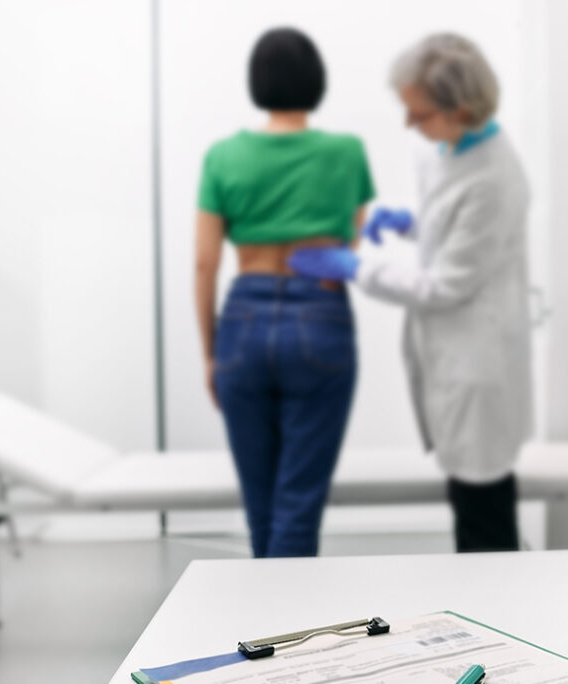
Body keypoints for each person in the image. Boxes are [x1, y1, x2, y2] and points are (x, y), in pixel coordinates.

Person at [289, 33, 533, 552]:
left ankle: (496, 600)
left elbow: (445, 284)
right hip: (453, 354)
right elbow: (451, 226)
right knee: (469, 501)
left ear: (461, 108)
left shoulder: (496, 178)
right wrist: (410, 223)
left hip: (478, 366)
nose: (407, 124)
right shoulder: (450, 148)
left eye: (418, 114)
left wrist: (357, 267)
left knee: (483, 516)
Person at [195, 27, 375, 557]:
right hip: (320, 318)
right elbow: (355, 244)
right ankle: (289, 610)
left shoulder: (223, 156)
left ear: (257, 82)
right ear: (316, 81)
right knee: (299, 505)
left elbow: (205, 263)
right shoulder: (346, 152)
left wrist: (210, 353)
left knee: (261, 507)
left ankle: (266, 607)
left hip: (243, 321)